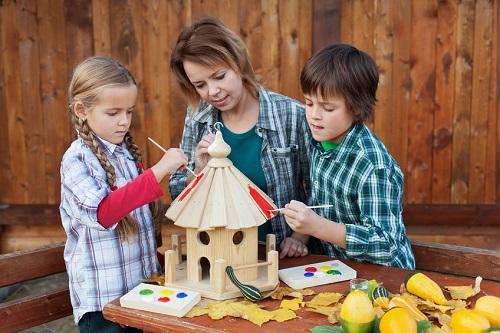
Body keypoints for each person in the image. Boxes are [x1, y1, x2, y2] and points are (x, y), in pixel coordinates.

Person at [60, 56, 188, 332]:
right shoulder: (77, 160)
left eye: (129, 112)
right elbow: (104, 213)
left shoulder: (125, 154)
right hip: (104, 303)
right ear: (82, 110)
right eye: (113, 113)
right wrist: (158, 170)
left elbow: (139, 212)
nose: (124, 122)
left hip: (141, 290)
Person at [169, 17, 311, 259]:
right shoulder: (197, 118)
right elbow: (177, 193)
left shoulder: (291, 115)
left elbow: (316, 186)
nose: (212, 91)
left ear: (239, 62)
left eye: (219, 76)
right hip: (221, 256)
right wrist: (199, 172)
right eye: (200, 85)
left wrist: (299, 237)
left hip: (282, 255)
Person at [281, 44, 415, 269]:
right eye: (309, 103)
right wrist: (300, 236)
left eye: (328, 108)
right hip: (338, 269)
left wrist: (317, 227)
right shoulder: (319, 140)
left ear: (355, 108)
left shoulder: (373, 167)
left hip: (386, 279)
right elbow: (320, 201)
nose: (314, 115)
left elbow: (386, 245)